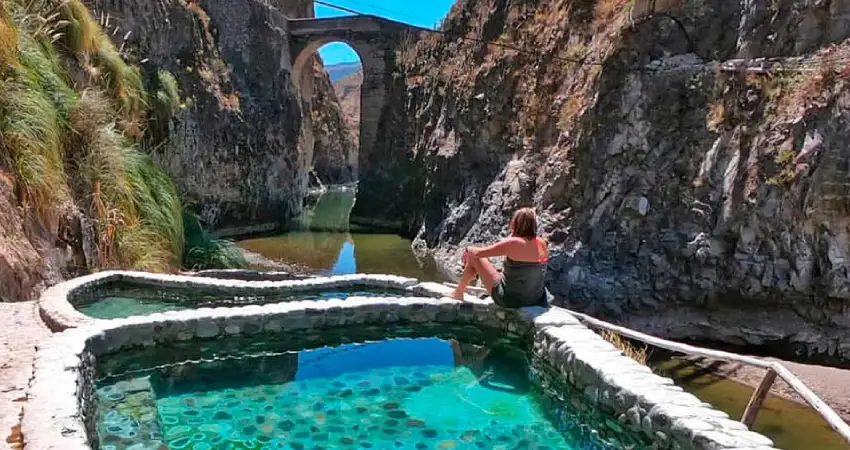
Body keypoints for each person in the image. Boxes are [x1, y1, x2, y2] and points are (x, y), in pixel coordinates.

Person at [451, 207, 550, 307]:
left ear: (515, 223)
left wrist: (468, 249)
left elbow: (477, 253)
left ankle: (458, 292)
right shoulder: (542, 243)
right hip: (537, 299)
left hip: (509, 299)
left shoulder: (514, 243)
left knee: (474, 256)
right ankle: (467, 281)